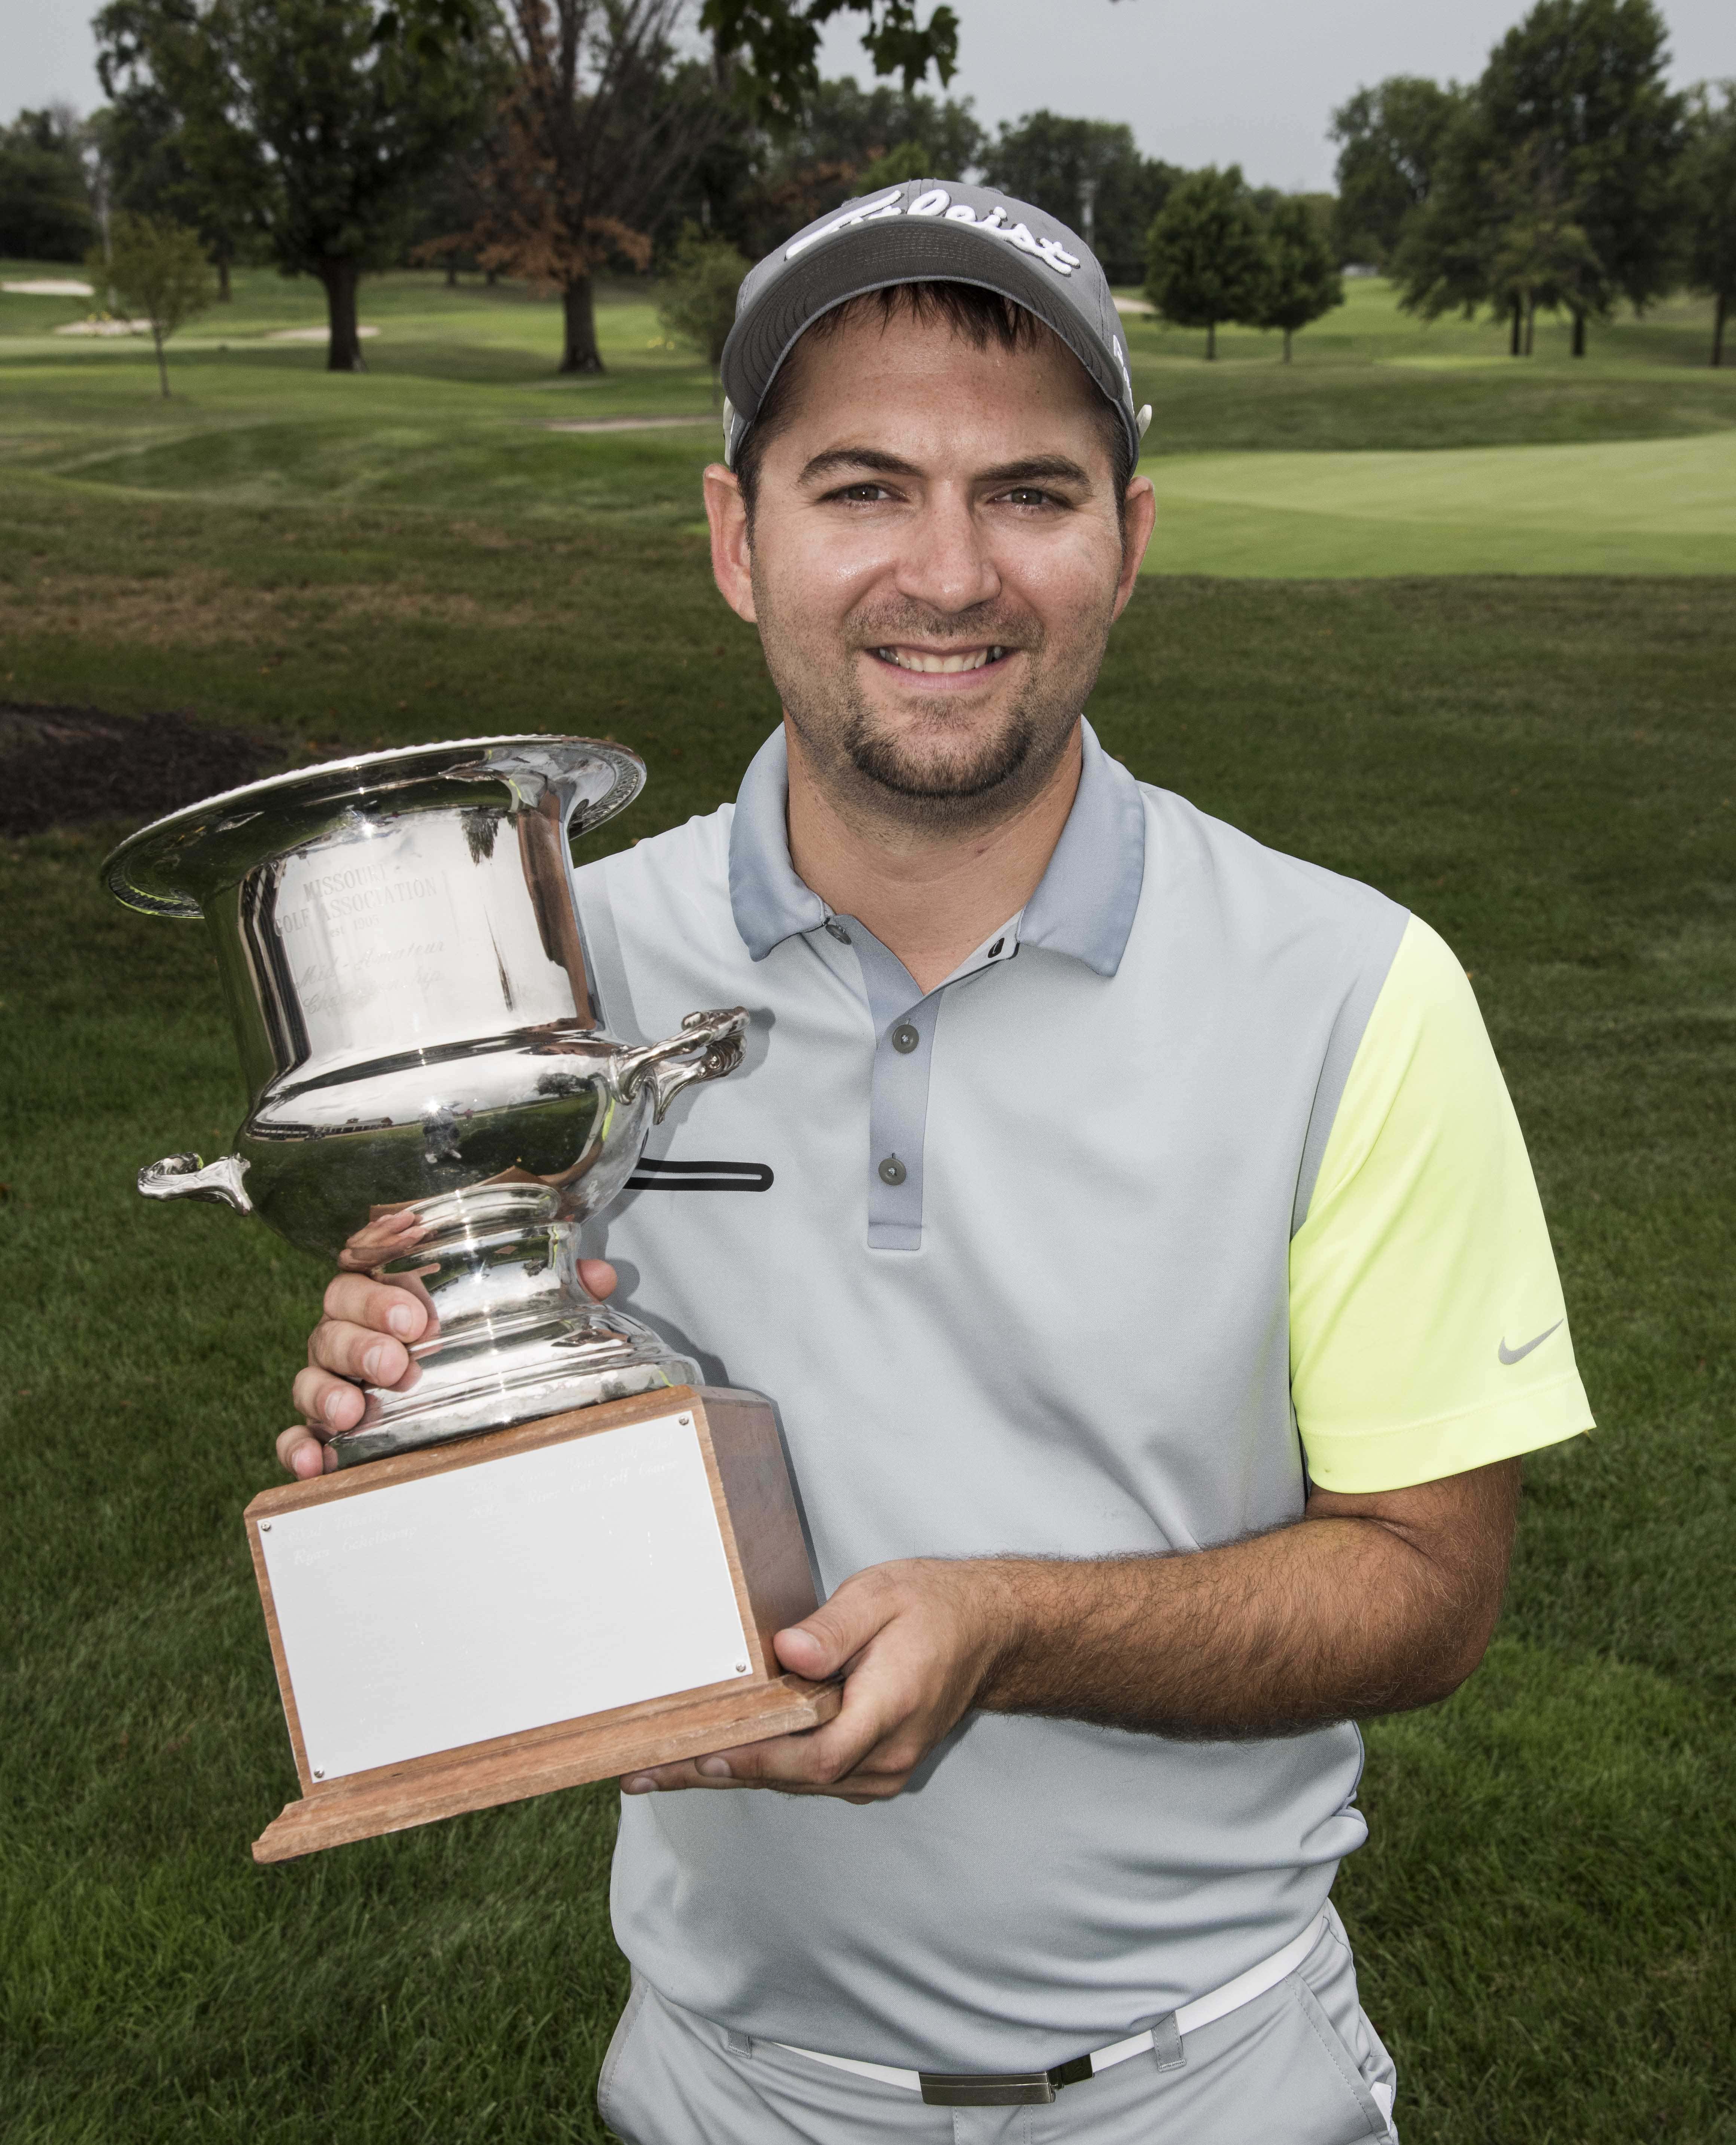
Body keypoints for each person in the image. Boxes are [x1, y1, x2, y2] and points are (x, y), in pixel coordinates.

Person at [281, 181, 1593, 2142]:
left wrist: (1014, 1619)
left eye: (1034, 494)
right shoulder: (559, 981)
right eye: (864, 486)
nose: (951, 574)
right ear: (739, 538)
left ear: (1130, 544)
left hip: (1212, 2082)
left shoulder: (1355, 987)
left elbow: (1429, 1583)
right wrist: (407, 1384)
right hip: (730, 2089)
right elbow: (509, 1442)